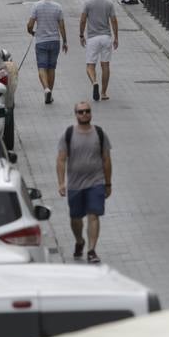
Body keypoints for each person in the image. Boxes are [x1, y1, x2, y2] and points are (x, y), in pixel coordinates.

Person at [56, 101, 112, 264]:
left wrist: (108, 183)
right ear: (76, 115)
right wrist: (61, 183)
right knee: (76, 218)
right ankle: (80, 241)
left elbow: (107, 160)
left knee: (93, 215)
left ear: (91, 113)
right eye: (81, 112)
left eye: (87, 111)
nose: (84, 114)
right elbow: (61, 160)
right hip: (75, 184)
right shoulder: (68, 134)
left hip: (96, 182)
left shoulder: (100, 134)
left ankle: (91, 250)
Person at [27, 0, 68, 104]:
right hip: (55, 40)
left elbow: (30, 24)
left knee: (41, 66)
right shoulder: (58, 7)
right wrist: (65, 41)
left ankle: (46, 89)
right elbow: (62, 26)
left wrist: (31, 32)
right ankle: (50, 91)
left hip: (41, 41)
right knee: (51, 68)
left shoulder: (36, 6)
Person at [79, 0, 119, 101]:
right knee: (105, 65)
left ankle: (94, 82)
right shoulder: (109, 3)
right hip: (106, 37)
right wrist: (116, 37)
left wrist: (81, 34)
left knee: (90, 66)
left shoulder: (87, 3)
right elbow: (113, 21)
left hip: (93, 38)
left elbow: (83, 20)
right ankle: (103, 93)